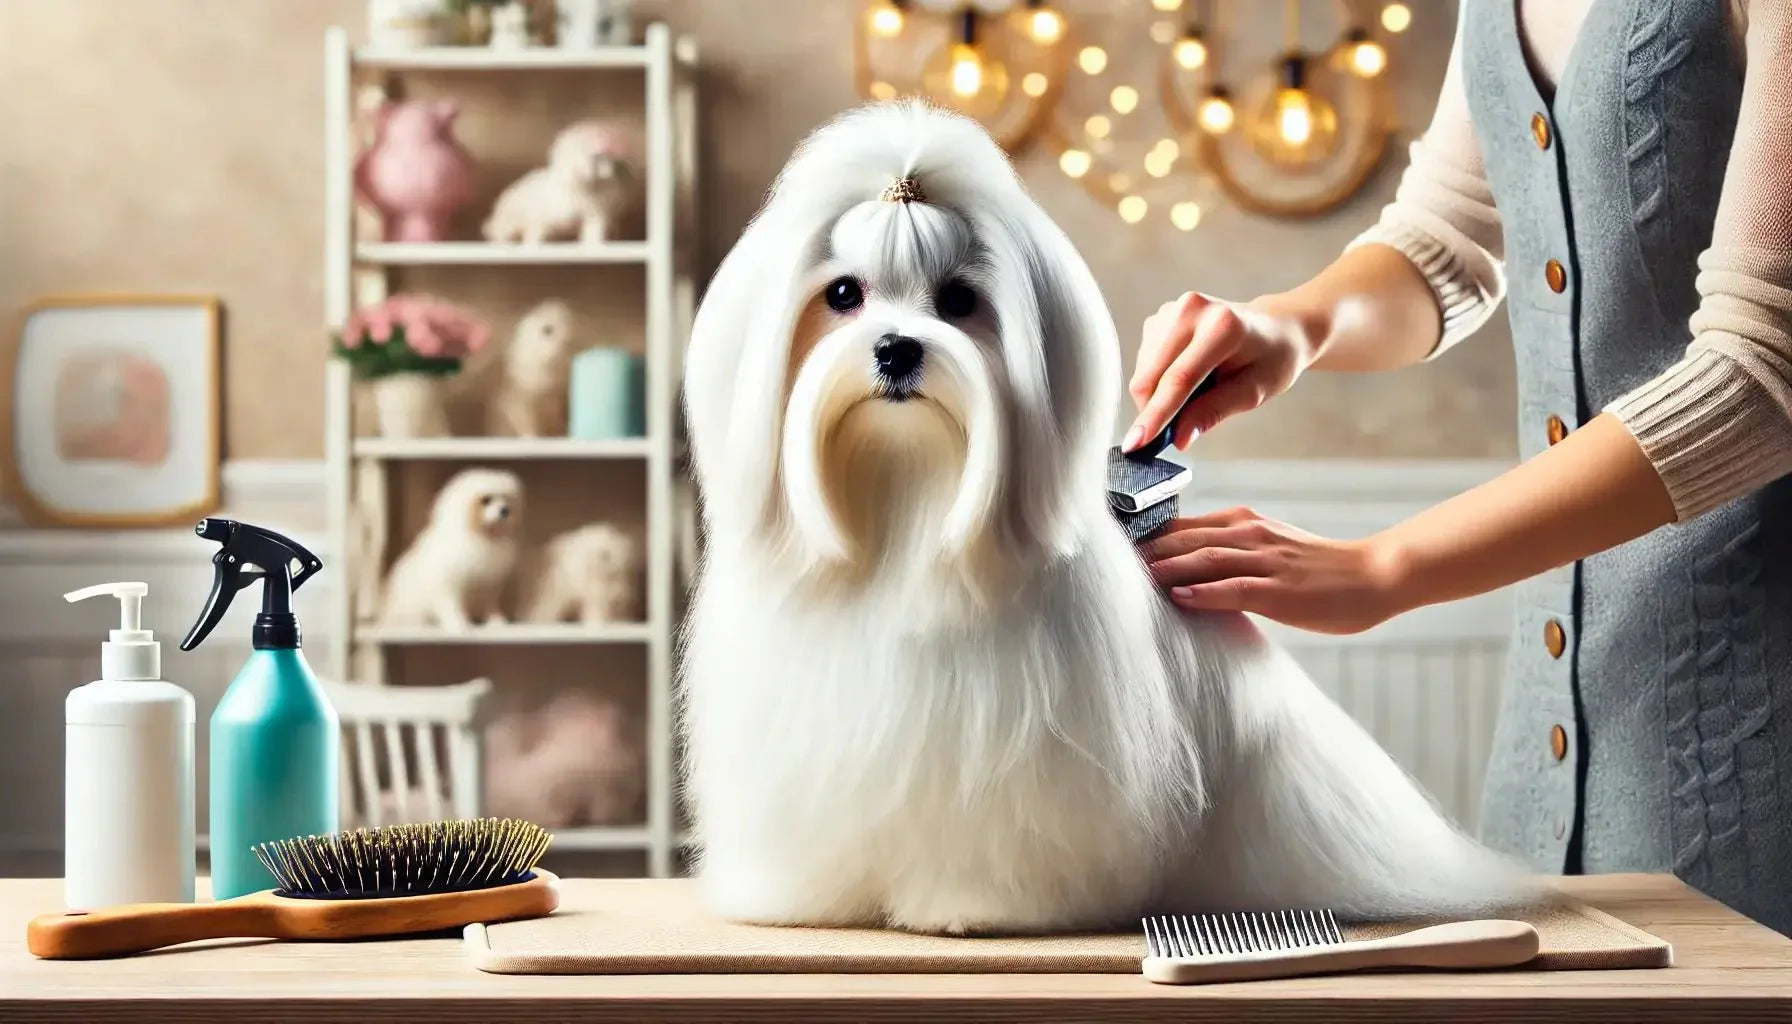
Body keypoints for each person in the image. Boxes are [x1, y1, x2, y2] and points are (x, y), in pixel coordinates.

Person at [1128, 0, 1792, 934]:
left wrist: (1384, 567)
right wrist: (1292, 324)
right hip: (1548, 732)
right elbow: (1449, 235)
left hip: (1754, 725)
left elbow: (1761, 370)